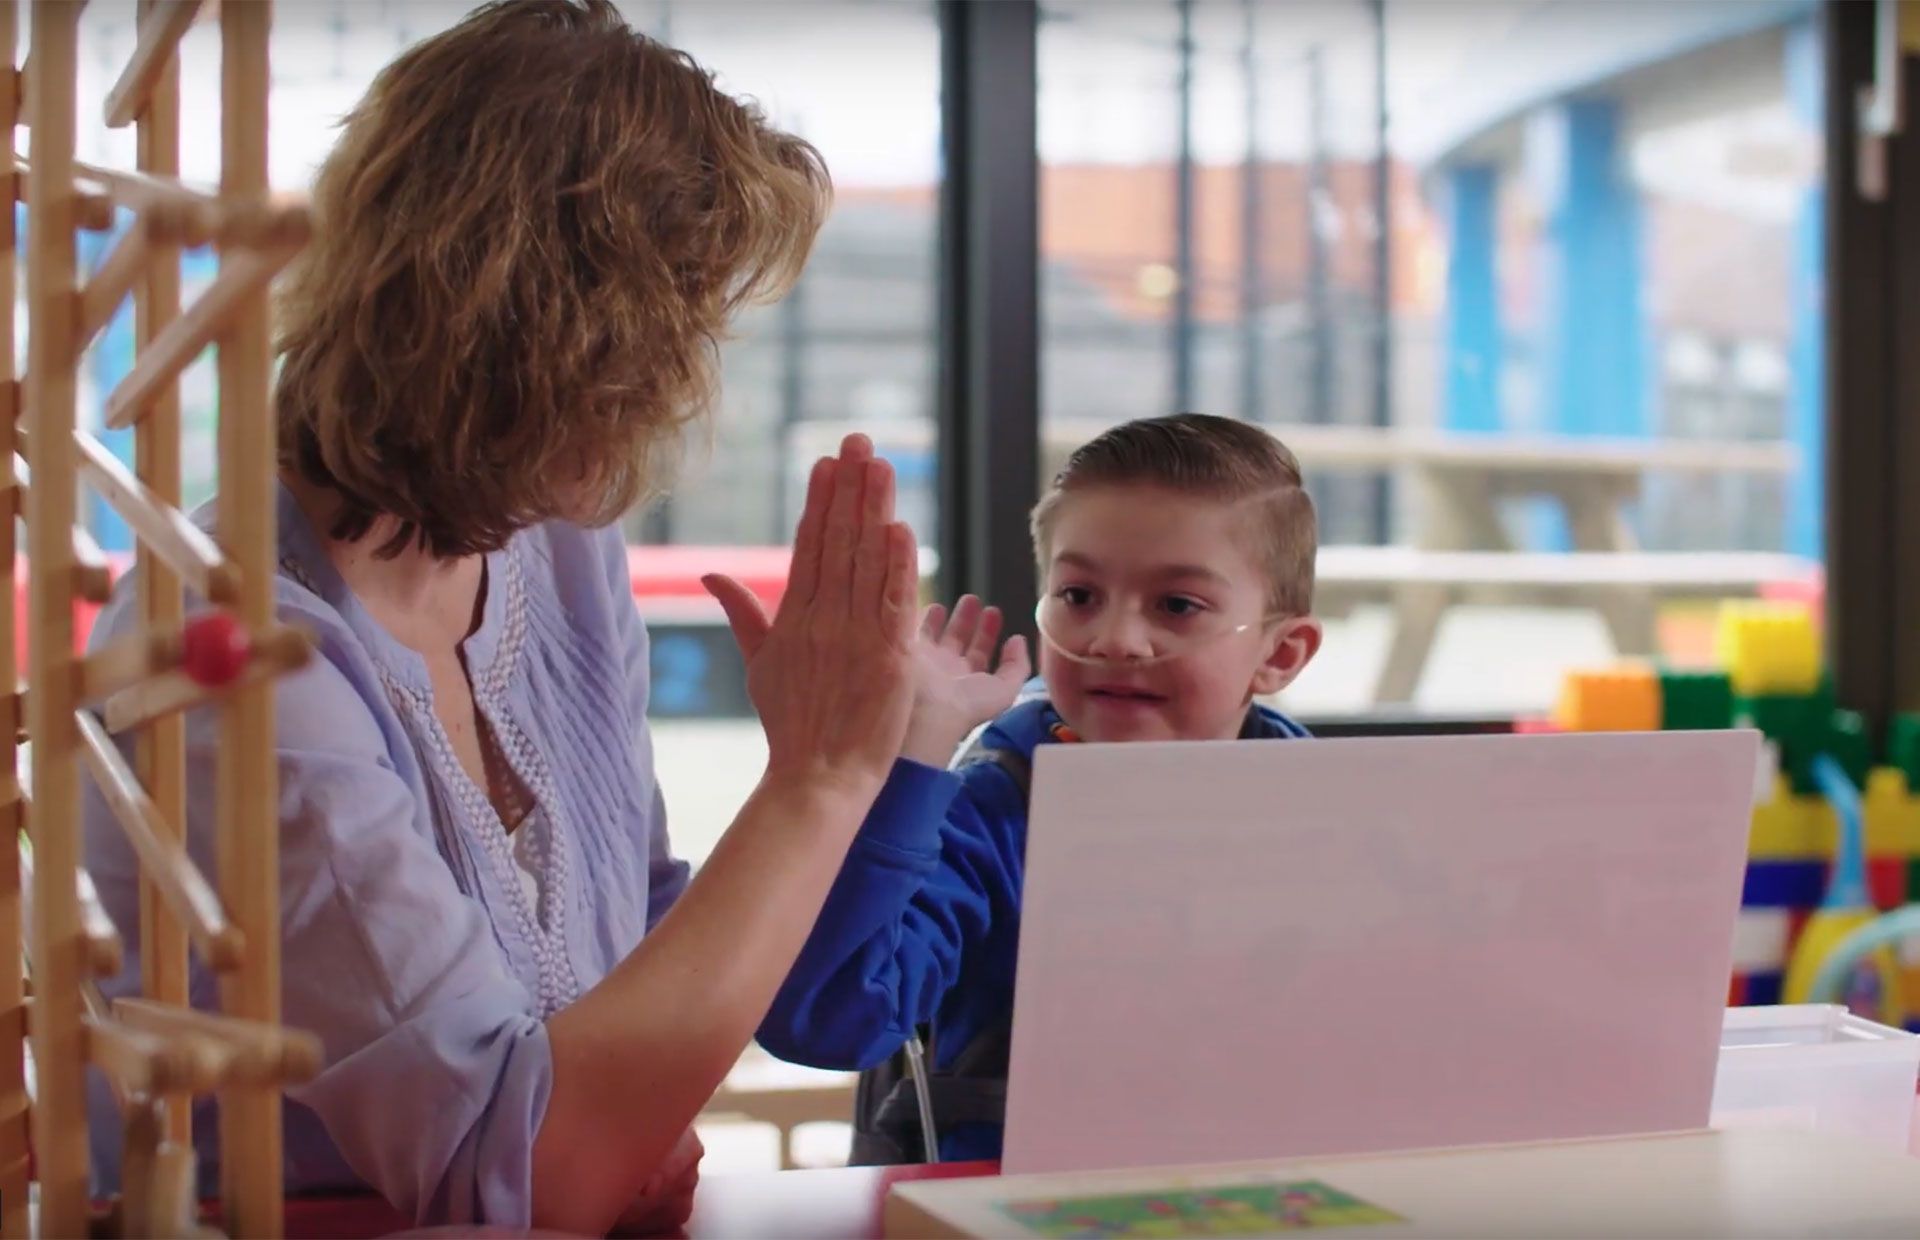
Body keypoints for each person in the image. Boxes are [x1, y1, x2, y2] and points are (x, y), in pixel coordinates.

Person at [79, 2, 941, 1232]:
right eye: (671, 329)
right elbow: (529, 1174)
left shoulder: (562, 546)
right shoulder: (233, 652)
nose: (686, 383)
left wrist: (614, 1109)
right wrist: (819, 775)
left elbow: (627, 951)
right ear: (526, 329)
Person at [757, 413, 1326, 1162]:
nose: (1115, 640)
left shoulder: (1327, 808)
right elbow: (827, 1023)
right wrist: (918, 753)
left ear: (1279, 654)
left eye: (1177, 606)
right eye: (1080, 595)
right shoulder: (987, 813)